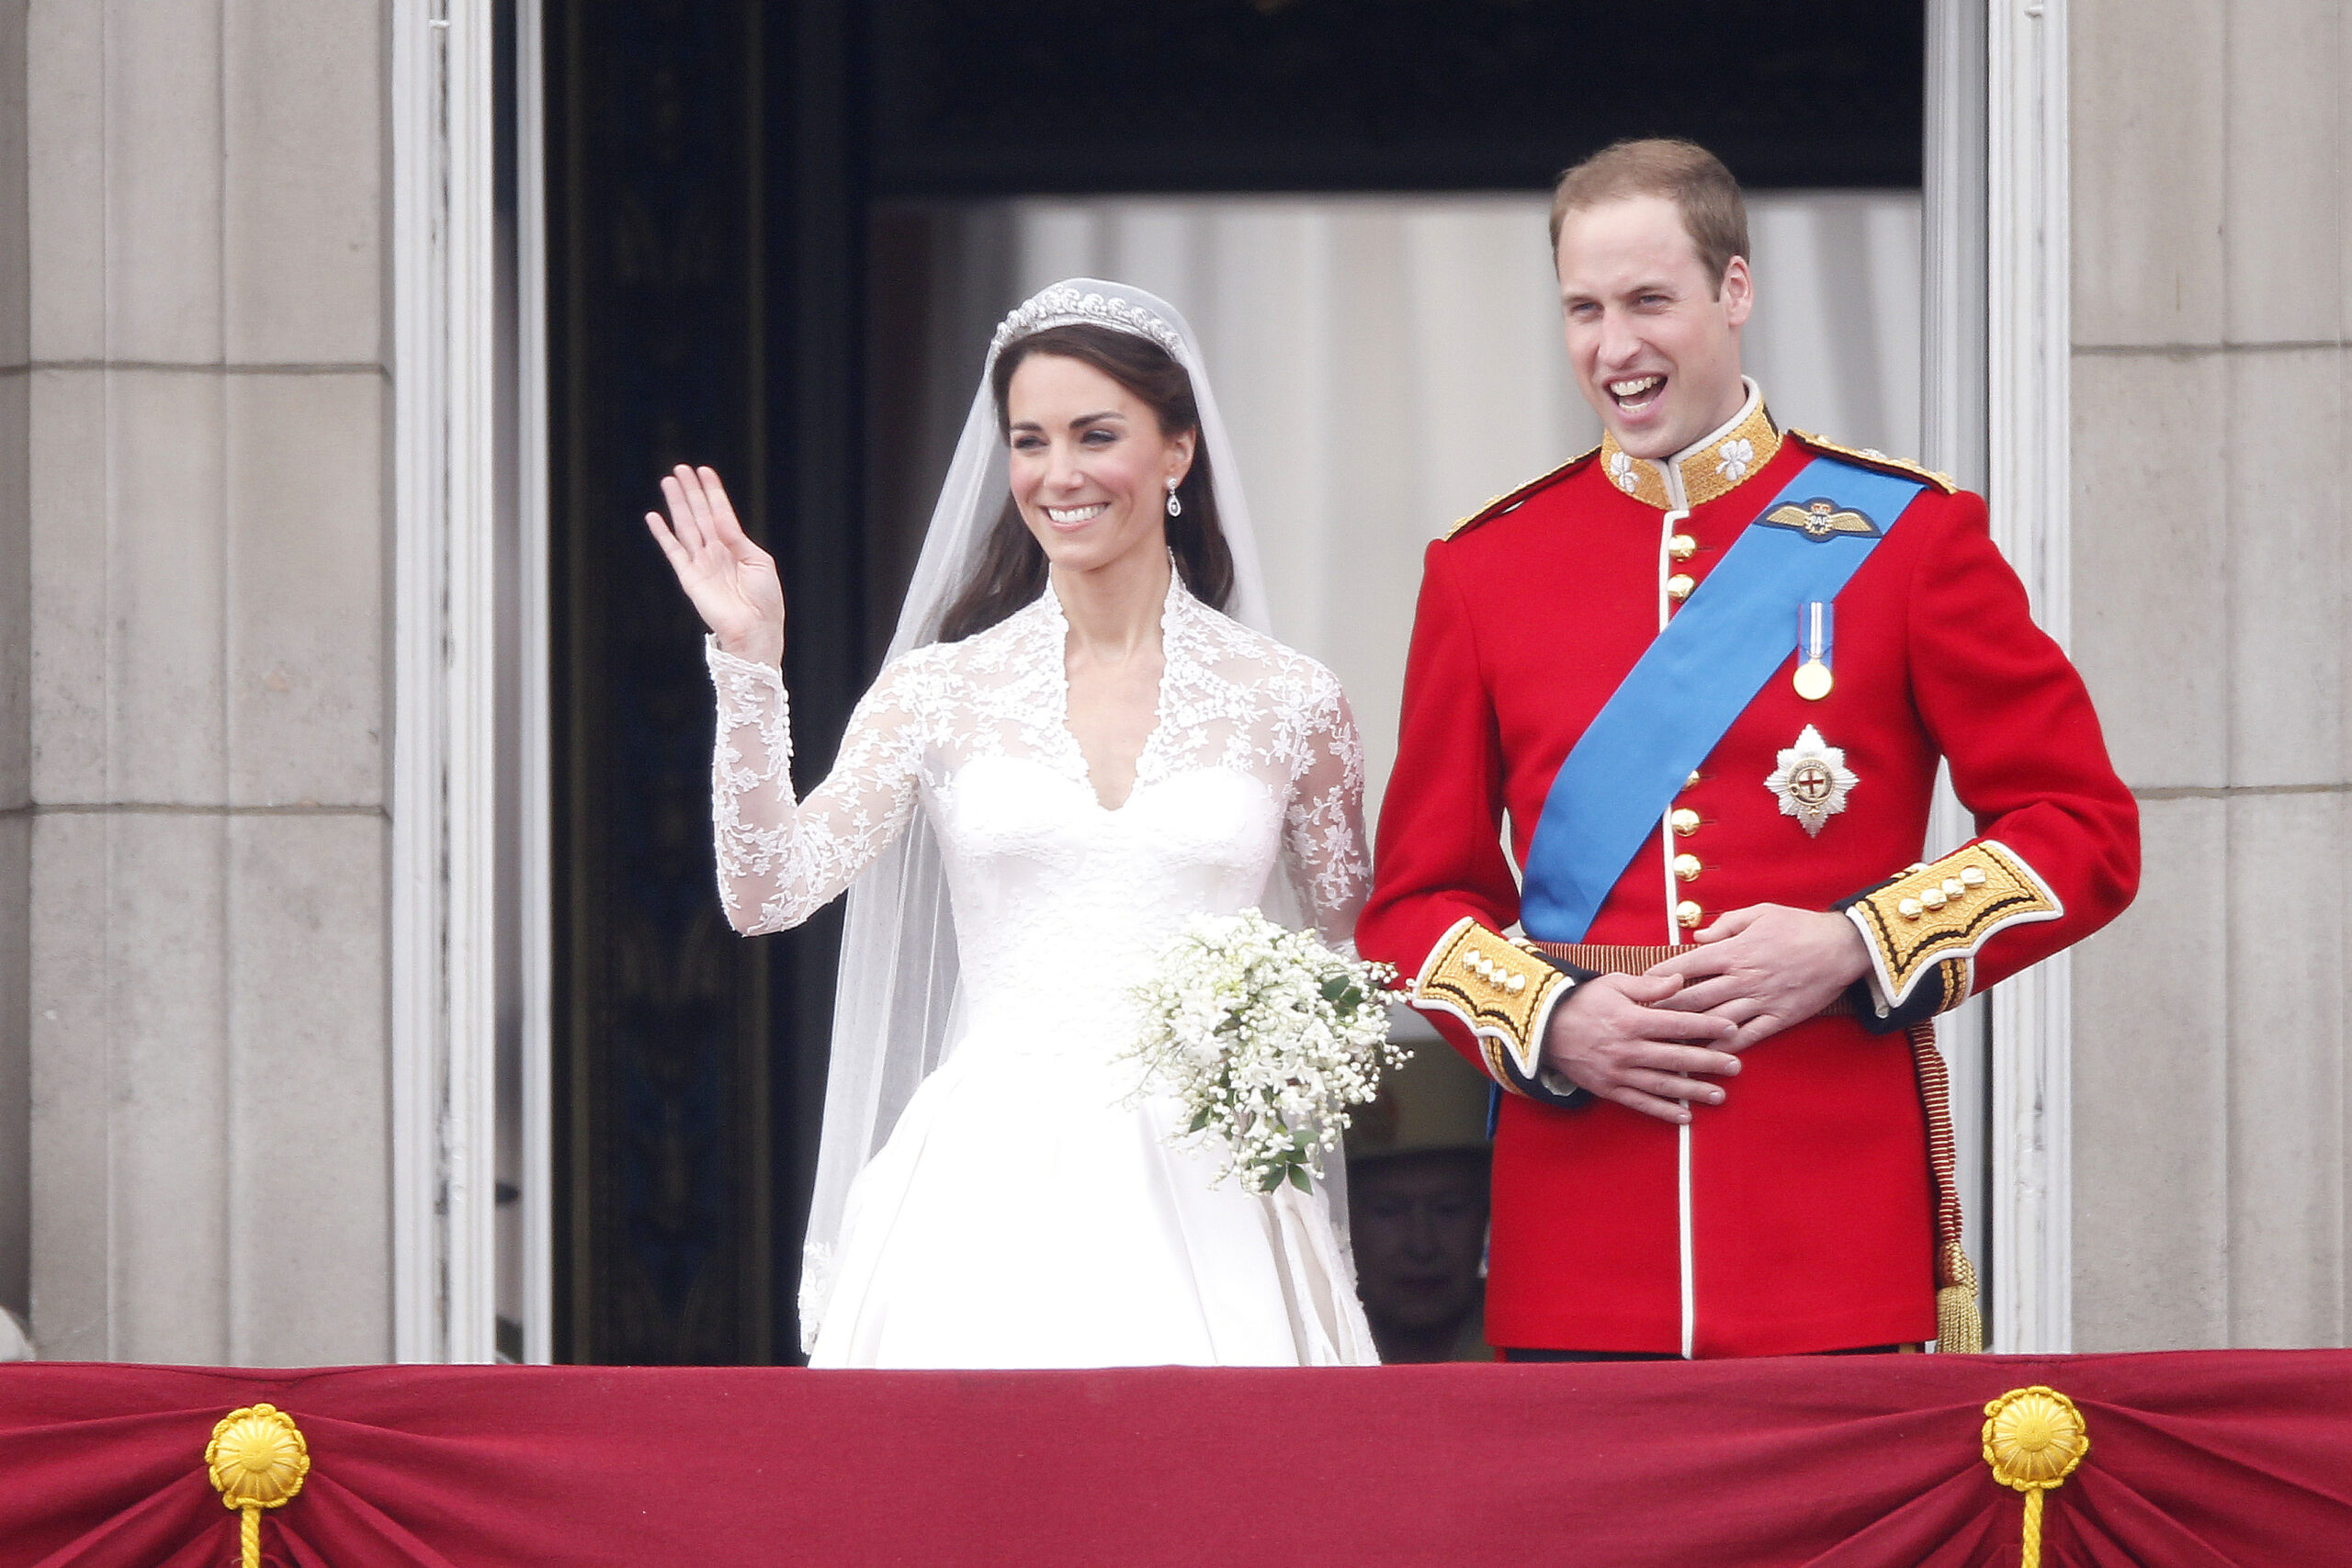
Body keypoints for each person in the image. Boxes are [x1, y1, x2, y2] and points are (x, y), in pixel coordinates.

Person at [1356, 141, 2140, 1360]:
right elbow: (1415, 899)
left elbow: (2081, 827)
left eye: (1649, 301)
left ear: (1736, 289)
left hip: (1829, 1239)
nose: (1615, 346)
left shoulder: (1910, 538)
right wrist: (1552, 1020)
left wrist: (1851, 940)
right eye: (1584, 308)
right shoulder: (1483, 568)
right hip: (1579, 1242)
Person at [650, 279, 1380, 1368]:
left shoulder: (1294, 700)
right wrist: (749, 668)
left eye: (1097, 435)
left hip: (1212, 1187)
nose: (1059, 474)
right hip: (980, 1189)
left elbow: (1354, 940)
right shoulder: (936, 692)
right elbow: (767, 893)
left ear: (1177, 450)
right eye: (1028, 441)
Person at [1344, 1045, 1496, 1362]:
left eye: (1448, 1209)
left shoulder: (1527, 1354)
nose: (1422, 1245)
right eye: (1388, 1211)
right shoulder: (1308, 1343)